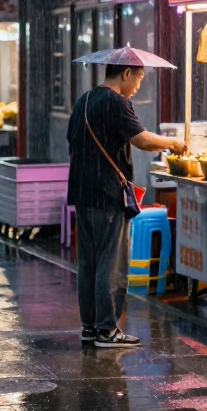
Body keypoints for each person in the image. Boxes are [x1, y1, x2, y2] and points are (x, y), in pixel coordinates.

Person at [67, 62, 186, 348]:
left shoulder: (85, 100)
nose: (138, 86)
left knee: (89, 262)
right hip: (107, 193)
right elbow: (142, 140)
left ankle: (90, 327)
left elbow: (72, 140)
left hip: (82, 191)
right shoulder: (117, 102)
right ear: (126, 74)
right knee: (111, 262)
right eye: (139, 78)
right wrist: (172, 143)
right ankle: (107, 330)